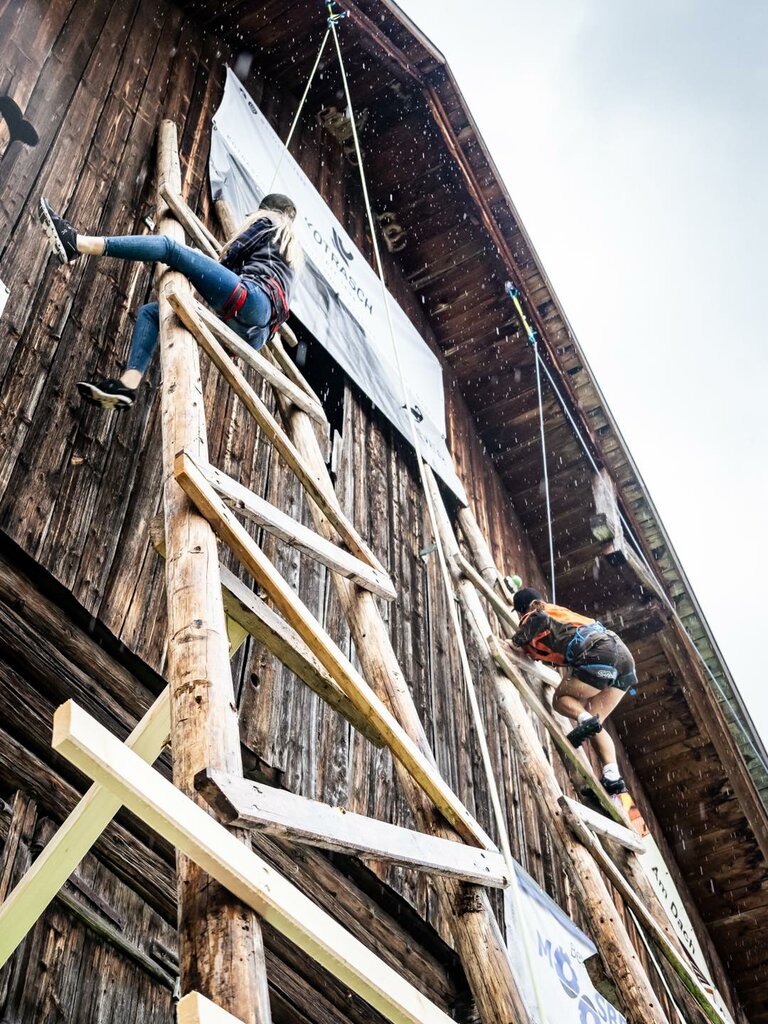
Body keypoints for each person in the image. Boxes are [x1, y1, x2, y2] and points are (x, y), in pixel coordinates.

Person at [38, 193, 303, 409]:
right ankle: (128, 385)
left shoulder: (268, 223)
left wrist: (197, 267)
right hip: (254, 336)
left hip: (250, 300)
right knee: (153, 313)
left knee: (168, 247)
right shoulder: (291, 256)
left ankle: (77, 243)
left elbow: (231, 257)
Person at [507, 587, 638, 795]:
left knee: (560, 701)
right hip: (623, 660)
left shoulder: (536, 614)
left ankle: (583, 719)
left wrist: (514, 642)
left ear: (525, 609)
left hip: (598, 652)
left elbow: (538, 619)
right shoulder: (563, 614)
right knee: (596, 721)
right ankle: (613, 775)